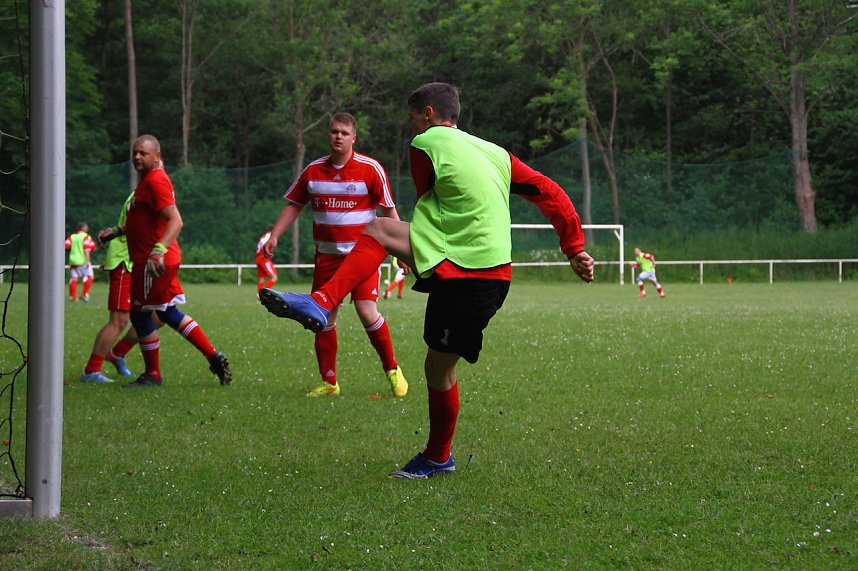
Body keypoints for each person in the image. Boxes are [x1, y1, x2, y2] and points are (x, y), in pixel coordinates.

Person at [259, 83, 594, 478]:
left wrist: (414, 255)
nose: (412, 125)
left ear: (429, 113)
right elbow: (548, 190)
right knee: (383, 236)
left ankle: (438, 457)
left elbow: (426, 200)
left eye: (413, 116)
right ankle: (322, 301)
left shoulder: (425, 144)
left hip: (468, 274)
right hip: (478, 269)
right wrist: (573, 246)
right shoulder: (494, 152)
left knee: (439, 369)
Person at [261, 112, 408, 398]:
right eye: (334, 131)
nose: (338, 136)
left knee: (367, 311)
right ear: (328, 135)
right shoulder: (313, 171)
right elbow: (294, 204)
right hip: (327, 257)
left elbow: (388, 210)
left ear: (354, 138)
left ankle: (392, 369)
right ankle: (329, 383)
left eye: (344, 132)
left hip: (362, 256)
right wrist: (275, 234)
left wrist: (401, 248)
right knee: (322, 318)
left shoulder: (371, 169)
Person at [122, 134, 232, 388]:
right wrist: (118, 231)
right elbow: (147, 221)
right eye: (135, 152)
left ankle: (153, 375)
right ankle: (213, 356)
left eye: (143, 153)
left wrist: (158, 250)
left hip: (152, 262)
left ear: (157, 156)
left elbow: (176, 220)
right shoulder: (151, 179)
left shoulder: (155, 180)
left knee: (140, 315)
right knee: (168, 312)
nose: (137, 157)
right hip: (157, 259)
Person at [79, 192, 139, 383]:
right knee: (119, 320)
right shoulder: (143, 194)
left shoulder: (155, 189)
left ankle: (118, 353)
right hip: (125, 262)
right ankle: (91, 371)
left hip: (140, 263)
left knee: (158, 315)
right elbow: (135, 226)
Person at [65, 222, 96, 302]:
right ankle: (84, 295)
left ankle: (73, 297)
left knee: (74, 278)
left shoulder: (71, 237)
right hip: (82, 260)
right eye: (87, 227)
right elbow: (88, 249)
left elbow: (66, 246)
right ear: (84, 228)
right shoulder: (86, 237)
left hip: (73, 260)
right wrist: (88, 261)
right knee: (90, 277)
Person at [255, 224, 278, 294]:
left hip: (258, 258)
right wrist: (266, 252)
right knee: (274, 277)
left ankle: (259, 295)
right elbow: (264, 244)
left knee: (262, 278)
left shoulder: (264, 236)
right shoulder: (269, 236)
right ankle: (263, 294)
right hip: (263, 258)